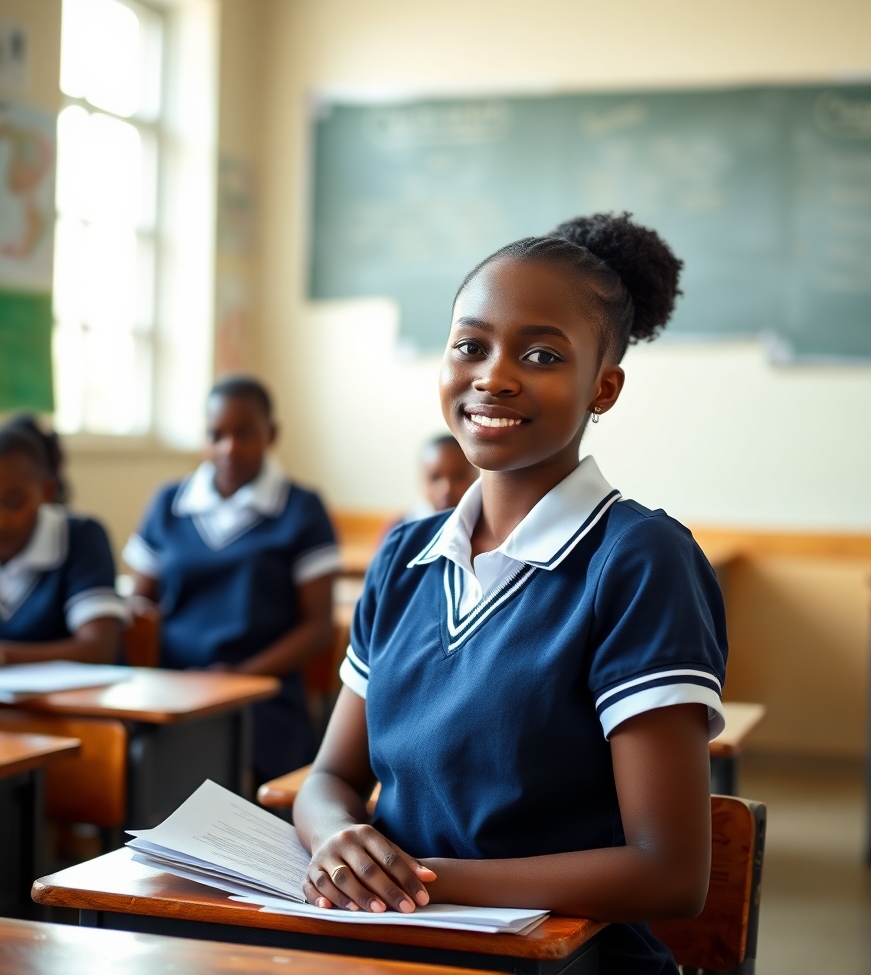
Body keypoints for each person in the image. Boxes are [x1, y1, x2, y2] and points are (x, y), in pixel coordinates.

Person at [293, 213, 727, 974]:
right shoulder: (404, 556)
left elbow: (671, 872)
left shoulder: (637, 560)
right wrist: (337, 838)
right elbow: (331, 776)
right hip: (393, 947)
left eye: (540, 354)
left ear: (604, 386)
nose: (493, 374)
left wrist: (417, 883)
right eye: (470, 345)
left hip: (563, 959)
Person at [124, 376, 340, 784]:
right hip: (173, 691)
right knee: (147, 779)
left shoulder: (301, 510)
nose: (229, 448)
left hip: (262, 698)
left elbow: (318, 629)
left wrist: (238, 678)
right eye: (216, 435)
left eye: (244, 433)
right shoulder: (168, 503)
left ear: (270, 435)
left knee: (230, 788)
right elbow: (141, 608)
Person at [0, 418, 123, 664]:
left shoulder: (81, 537)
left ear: (46, 492)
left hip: (77, 701)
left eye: (13, 503)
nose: (1, 520)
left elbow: (98, 648)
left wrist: (6, 656)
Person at [404, 434, 478, 520]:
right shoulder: (403, 529)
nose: (446, 490)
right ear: (421, 481)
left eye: (458, 477)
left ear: (475, 477)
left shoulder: (487, 526)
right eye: (435, 478)